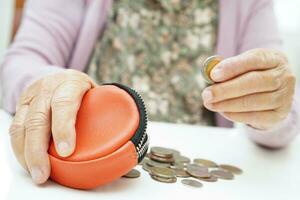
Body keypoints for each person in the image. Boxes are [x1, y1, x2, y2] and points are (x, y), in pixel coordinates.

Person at [0, 0, 299, 185]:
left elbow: (285, 119)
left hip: (194, 179)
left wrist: (271, 106)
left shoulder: (251, 3)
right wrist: (50, 83)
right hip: (95, 173)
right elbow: (20, 63)